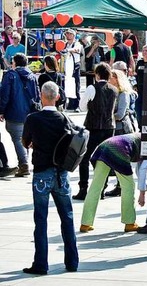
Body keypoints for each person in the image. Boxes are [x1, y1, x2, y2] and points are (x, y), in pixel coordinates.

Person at [21, 81, 78, 275]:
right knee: (67, 218)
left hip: (42, 173)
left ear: (41, 96)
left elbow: (25, 141)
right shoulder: (64, 118)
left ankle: (41, 264)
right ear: (57, 97)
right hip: (61, 174)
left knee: (41, 219)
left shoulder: (33, 118)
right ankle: (72, 262)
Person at [79, 133, 142, 233]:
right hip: (119, 149)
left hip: (104, 147)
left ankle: (85, 223)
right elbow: (142, 170)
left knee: (96, 186)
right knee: (128, 187)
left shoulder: (138, 136)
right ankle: (129, 223)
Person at [75, 63, 118, 200]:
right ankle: (101, 189)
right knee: (104, 160)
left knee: (84, 158)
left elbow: (82, 107)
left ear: (97, 75)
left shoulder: (92, 88)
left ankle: (83, 188)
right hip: (109, 127)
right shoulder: (114, 89)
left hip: (93, 126)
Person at [0, 52, 40, 177]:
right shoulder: (32, 76)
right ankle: (25, 162)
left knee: (17, 139)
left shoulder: (10, 75)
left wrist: (1, 110)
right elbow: (37, 95)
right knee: (25, 138)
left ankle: (24, 164)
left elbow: (4, 95)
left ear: (14, 63)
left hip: (14, 112)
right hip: (30, 112)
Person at [62, 29, 83, 111]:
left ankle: (77, 105)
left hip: (75, 66)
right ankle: (70, 103)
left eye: (69, 34)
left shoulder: (77, 44)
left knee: (76, 85)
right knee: (68, 85)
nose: (67, 35)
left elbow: (76, 49)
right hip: (67, 66)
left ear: (73, 35)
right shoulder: (65, 44)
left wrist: (68, 50)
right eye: (66, 34)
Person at [111, 69, 135, 136]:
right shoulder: (111, 92)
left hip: (121, 129)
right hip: (113, 127)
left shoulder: (123, 94)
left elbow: (120, 115)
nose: (108, 78)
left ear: (117, 79)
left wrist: (106, 117)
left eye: (111, 76)